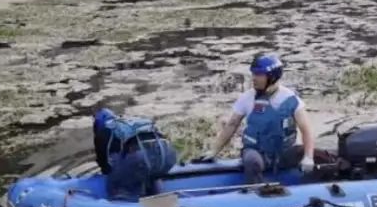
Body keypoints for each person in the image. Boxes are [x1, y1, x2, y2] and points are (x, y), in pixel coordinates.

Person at [201, 53, 316, 184]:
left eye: (258, 75)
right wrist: (214, 150)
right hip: (256, 151)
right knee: (252, 162)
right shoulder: (247, 98)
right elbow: (232, 124)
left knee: (317, 155)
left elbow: (306, 130)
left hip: (283, 153)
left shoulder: (291, 99)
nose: (254, 78)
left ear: (272, 77)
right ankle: (258, 190)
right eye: (253, 74)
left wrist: (308, 157)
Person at [92, 108, 177, 199]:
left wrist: (113, 175)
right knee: (152, 175)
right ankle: (158, 196)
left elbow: (104, 161)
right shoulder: (128, 123)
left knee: (115, 178)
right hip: (168, 155)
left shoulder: (105, 131)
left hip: (142, 157)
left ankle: (120, 200)